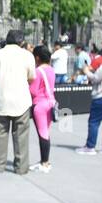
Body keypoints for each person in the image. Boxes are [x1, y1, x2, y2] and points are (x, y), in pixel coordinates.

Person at [0, 30, 36, 174]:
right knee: (21, 135)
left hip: (0, 98)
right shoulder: (28, 56)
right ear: (21, 42)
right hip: (21, 100)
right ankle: (21, 167)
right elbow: (32, 77)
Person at [29, 45, 57, 173]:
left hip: (39, 104)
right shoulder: (51, 70)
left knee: (42, 134)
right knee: (46, 132)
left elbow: (33, 90)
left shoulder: (38, 71)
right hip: (50, 103)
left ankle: (44, 163)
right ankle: (45, 161)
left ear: (37, 57)